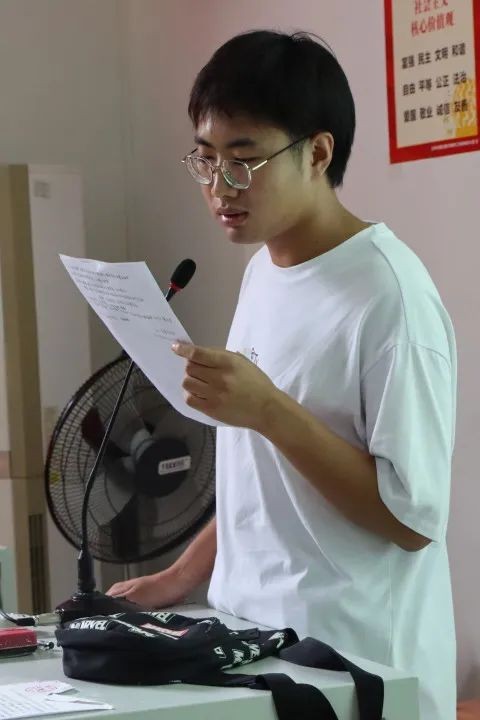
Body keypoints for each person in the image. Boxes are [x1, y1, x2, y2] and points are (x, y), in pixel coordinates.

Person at [107, 30, 457, 720]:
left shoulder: (390, 296)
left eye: (244, 161)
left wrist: (269, 410)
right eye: (206, 159)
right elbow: (266, 480)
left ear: (318, 154)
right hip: (256, 645)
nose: (219, 187)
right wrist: (181, 576)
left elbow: (411, 520)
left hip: (358, 666)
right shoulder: (265, 270)